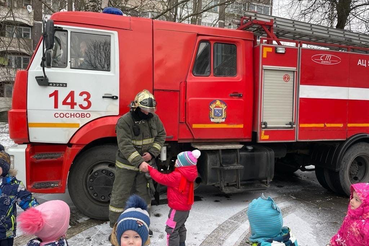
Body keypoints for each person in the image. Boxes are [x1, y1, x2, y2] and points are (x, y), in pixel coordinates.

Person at [109, 89, 166, 231]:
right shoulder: (125, 121)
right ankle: (117, 229)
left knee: (144, 197)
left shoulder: (154, 118)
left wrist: (152, 154)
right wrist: (140, 162)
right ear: (136, 107)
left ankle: (142, 227)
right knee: (120, 197)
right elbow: (125, 145)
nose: (148, 113)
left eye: (150, 110)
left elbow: (161, 135)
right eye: (145, 110)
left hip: (145, 166)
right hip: (126, 167)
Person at [145, 149, 201, 246]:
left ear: (182, 164)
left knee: (171, 229)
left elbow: (161, 178)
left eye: (178, 160)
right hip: (185, 208)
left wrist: (150, 169)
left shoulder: (177, 176)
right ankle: (182, 244)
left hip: (177, 208)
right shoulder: (188, 174)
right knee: (180, 227)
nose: (175, 161)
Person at [0, 144, 39, 246]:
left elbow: (27, 200)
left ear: (4, 168)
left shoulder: (13, 185)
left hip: (5, 233)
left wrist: (39, 213)